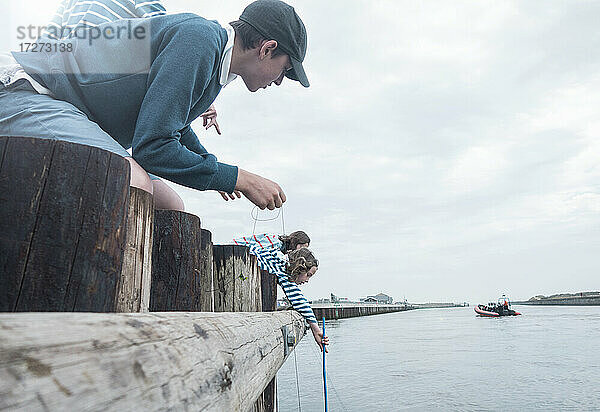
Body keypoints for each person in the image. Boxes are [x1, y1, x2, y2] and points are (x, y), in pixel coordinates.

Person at [0, 0, 308, 211]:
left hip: (68, 110)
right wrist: (239, 177)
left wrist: (215, 169)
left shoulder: (215, 65)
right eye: (286, 70)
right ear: (267, 49)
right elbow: (153, 148)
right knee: (132, 181)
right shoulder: (199, 39)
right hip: (30, 91)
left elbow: (173, 124)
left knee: (171, 206)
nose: (280, 81)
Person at [233, 233, 329, 352]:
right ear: (300, 268)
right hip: (234, 258)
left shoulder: (277, 258)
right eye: (308, 275)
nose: (307, 280)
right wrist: (316, 329)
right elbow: (299, 300)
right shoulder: (281, 266)